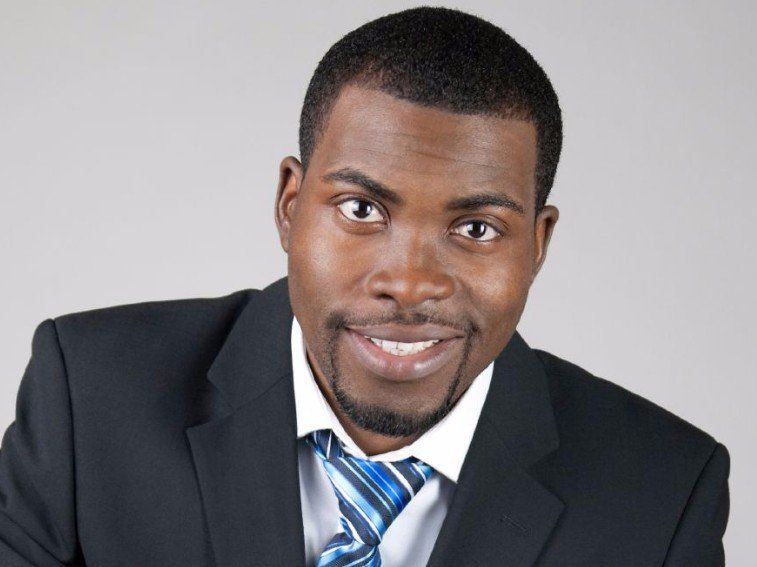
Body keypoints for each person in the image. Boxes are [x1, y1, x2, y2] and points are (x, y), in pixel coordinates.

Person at [0, 6, 729, 567]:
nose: (409, 284)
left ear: (536, 245)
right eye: (360, 210)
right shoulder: (90, 397)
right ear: (290, 206)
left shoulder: (662, 494)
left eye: (476, 227)